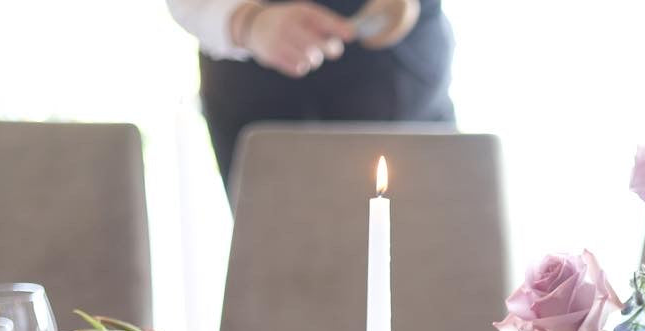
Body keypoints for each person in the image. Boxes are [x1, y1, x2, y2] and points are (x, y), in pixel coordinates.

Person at [166, 0, 455, 191]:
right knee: (291, 267)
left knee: (428, 257)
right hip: (261, 78)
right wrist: (248, 22)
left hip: (401, 75)